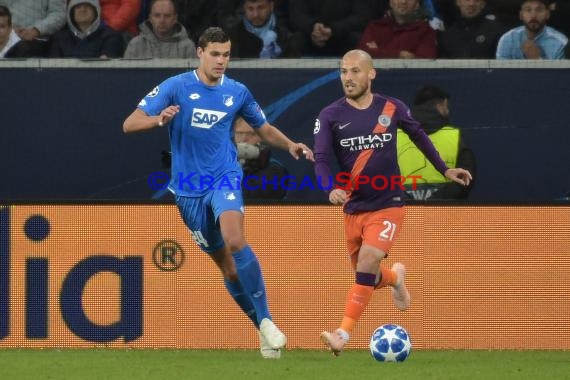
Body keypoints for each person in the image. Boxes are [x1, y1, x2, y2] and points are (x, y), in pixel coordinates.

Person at [123, 27, 314, 359]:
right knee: (227, 267)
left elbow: (263, 128)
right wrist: (158, 119)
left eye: (226, 54)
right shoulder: (176, 86)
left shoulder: (237, 92)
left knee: (235, 238)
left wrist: (290, 144)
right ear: (200, 52)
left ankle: (267, 320)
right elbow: (130, 123)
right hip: (188, 191)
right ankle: (262, 330)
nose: (221, 60)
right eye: (215, 53)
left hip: (224, 177)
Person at [313, 49, 471, 356]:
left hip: (388, 202)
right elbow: (320, 160)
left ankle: (342, 335)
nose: (348, 78)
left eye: (355, 71)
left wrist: (444, 169)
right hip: (354, 207)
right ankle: (396, 278)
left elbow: (420, 137)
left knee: (369, 260)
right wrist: (329, 188)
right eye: (343, 71)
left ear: (371, 74)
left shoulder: (391, 107)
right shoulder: (330, 115)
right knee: (367, 278)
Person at [398, 84, 476, 200]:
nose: (448, 110)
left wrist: (410, 202)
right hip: (444, 213)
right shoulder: (455, 136)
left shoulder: (396, 135)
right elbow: (466, 177)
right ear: (441, 104)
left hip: (405, 212)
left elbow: (379, 176)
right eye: (447, 106)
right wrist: (437, 201)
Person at [288, 0, 372, 57]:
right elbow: (296, 14)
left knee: (358, 41)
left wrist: (333, 30)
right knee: (294, 41)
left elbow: (361, 16)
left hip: (344, 35)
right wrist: (313, 27)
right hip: (310, 35)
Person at [357, 0, 437, 59]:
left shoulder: (426, 31)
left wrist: (379, 51)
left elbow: (425, 62)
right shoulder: (375, 27)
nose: (403, 2)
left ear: (417, 4)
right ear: (391, 2)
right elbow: (362, 54)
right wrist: (400, 55)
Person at [234, 117, 289, 200]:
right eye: (239, 133)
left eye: (251, 134)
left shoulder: (275, 170)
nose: (243, 139)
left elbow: (251, 196)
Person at [226, 0, 302, 58]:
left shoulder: (288, 32)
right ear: (244, 9)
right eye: (250, 9)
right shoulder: (233, 36)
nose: (256, 15)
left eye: (261, 8)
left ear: (271, 6)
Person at [49, 0, 124, 58]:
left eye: (87, 6)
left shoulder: (111, 36)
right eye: (78, 7)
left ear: (96, 11)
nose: (83, 10)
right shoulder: (59, 38)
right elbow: (54, 68)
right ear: (71, 13)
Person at [123, 0, 196, 59]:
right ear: (150, 18)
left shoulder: (188, 47)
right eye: (157, 16)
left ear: (175, 18)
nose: (162, 20)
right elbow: (126, 75)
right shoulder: (135, 45)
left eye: (167, 16)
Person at [496, 0, 567, 59]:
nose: (533, 15)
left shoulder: (561, 43)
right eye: (528, 10)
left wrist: (537, 59)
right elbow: (500, 74)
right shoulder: (508, 39)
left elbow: (561, 75)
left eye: (539, 10)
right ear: (521, 15)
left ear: (547, 14)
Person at [438, 0, 507, 58]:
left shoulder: (497, 30)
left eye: (477, 0)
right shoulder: (448, 35)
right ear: (458, 2)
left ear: (483, 4)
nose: (472, 3)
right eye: (467, 0)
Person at [0, 0, 66, 57]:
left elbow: (59, 14)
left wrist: (36, 29)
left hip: (35, 43)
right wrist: (9, 27)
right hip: (6, 36)